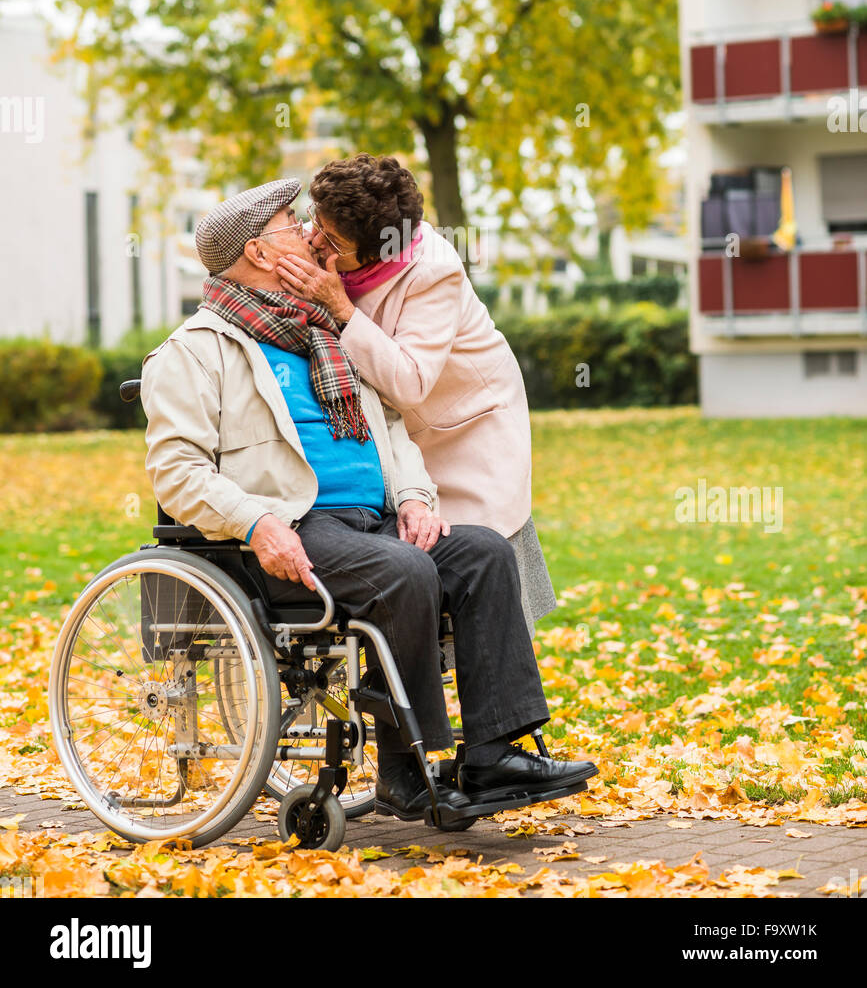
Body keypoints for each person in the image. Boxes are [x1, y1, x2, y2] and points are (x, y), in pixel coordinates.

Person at [140, 178, 596, 821]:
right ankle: (405, 770)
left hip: (373, 521)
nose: (307, 232)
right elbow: (177, 472)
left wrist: (413, 496)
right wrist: (258, 522)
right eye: (290, 225)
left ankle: (494, 755)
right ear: (261, 254)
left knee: (485, 553)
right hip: (296, 526)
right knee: (406, 571)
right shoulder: (195, 352)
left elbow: (392, 434)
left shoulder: (323, 332)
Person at [273, 153, 557, 634]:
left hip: (464, 429)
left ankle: (492, 685)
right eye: (313, 222)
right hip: (395, 436)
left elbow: (410, 381)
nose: (314, 240)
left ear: (379, 250)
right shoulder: (332, 253)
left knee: (476, 560)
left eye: (333, 241)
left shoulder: (430, 271)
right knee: (404, 566)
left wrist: (340, 306)